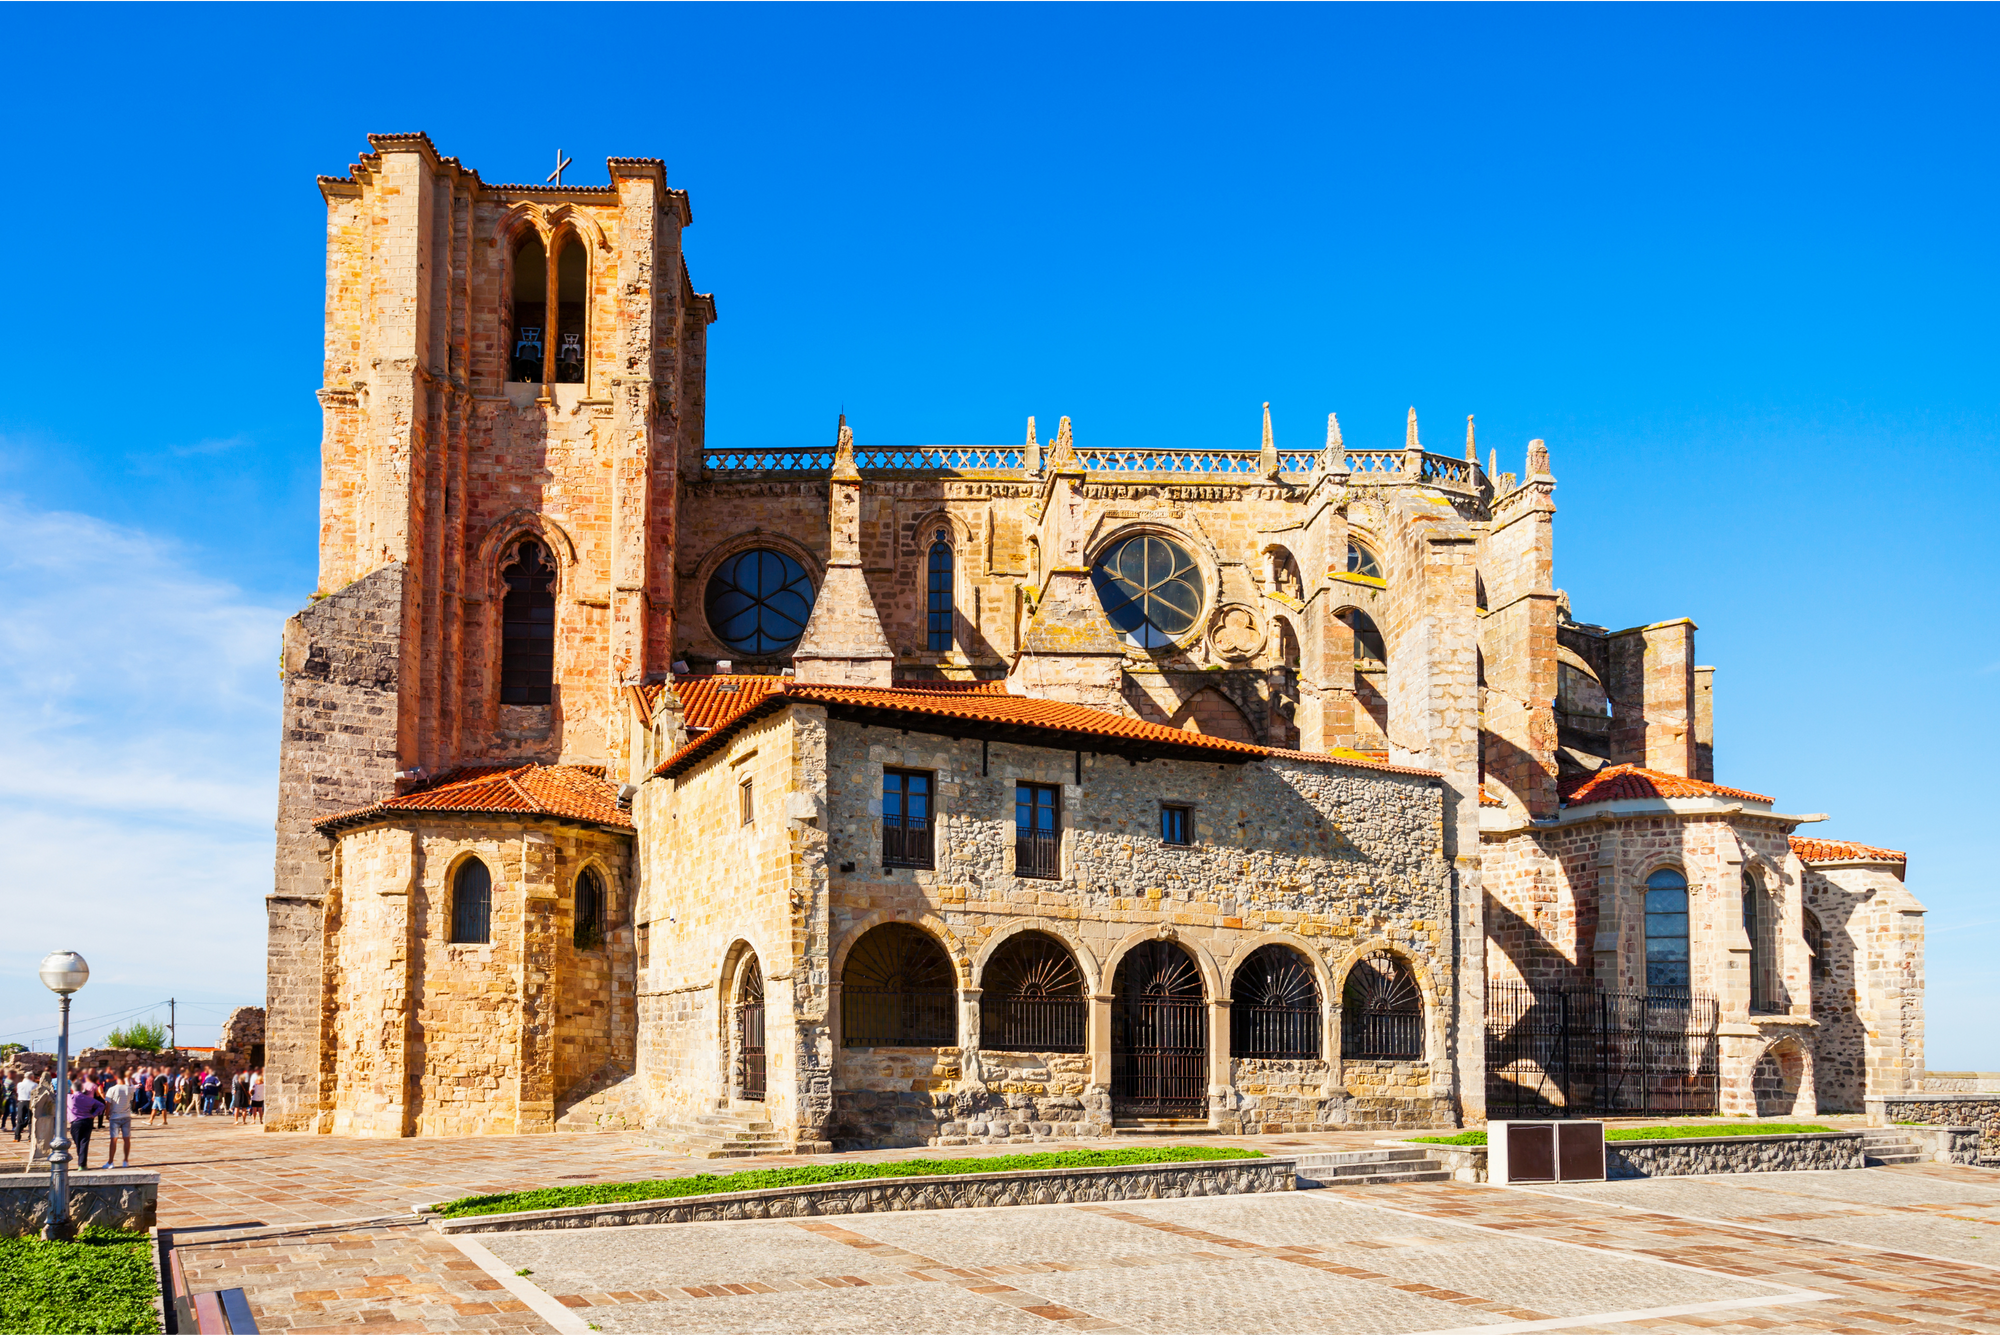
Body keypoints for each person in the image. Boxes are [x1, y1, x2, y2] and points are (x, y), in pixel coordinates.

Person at [68, 1076, 103, 1170]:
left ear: (72, 1089)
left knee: (79, 1143)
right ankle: (82, 1164)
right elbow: (101, 1105)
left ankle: (81, 1163)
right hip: (87, 1121)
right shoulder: (88, 1098)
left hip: (76, 1122)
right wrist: (94, 1114)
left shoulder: (69, 1098)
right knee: (84, 1142)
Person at [102, 1072, 133, 1168]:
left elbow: (108, 1104)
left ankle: (111, 1162)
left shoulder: (112, 1089)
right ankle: (125, 1161)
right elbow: (130, 1100)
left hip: (115, 1116)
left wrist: (107, 1115)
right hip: (126, 1115)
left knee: (113, 1140)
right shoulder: (130, 1089)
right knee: (126, 1139)